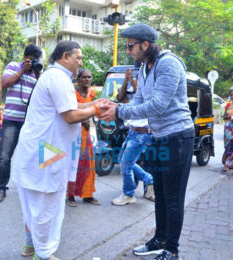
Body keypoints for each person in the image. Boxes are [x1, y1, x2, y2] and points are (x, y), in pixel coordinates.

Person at [100, 24, 195, 260]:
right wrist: (116, 106)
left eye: (131, 46)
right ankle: (159, 239)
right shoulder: (143, 68)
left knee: (173, 197)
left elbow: (158, 105)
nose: (128, 51)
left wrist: (120, 112)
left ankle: (171, 249)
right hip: (158, 136)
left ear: (145, 44)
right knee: (160, 194)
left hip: (178, 137)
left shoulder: (169, 64)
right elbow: (139, 100)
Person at [11, 40, 105, 260]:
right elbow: (71, 116)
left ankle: (30, 245)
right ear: (65, 56)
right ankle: (43, 254)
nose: (81, 63)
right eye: (78, 58)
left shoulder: (55, 77)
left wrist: (94, 104)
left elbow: (72, 108)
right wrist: (96, 109)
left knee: (35, 201)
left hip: (42, 148)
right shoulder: (58, 78)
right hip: (47, 150)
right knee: (46, 202)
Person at [0, 44, 42, 203]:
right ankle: (1, 188)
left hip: (30, 121)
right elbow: (4, 83)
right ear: (25, 58)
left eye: (36, 60)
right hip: (12, 120)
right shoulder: (14, 66)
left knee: (33, 156)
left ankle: (30, 187)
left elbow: (44, 93)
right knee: (5, 156)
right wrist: (22, 71)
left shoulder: (37, 73)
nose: (33, 62)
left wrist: (38, 74)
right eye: (31, 59)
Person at [112, 65, 155, 206]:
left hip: (142, 133)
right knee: (122, 160)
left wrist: (133, 79)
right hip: (132, 130)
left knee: (126, 164)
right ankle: (149, 179)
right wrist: (126, 79)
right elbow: (120, 97)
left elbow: (139, 94)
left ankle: (129, 194)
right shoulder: (130, 85)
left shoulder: (146, 87)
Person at [66, 68, 100, 207]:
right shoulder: (72, 94)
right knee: (74, 164)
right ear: (78, 79)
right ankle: (71, 196)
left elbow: (92, 110)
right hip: (74, 131)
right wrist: (82, 119)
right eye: (84, 77)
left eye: (89, 77)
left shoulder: (92, 93)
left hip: (86, 133)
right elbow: (70, 111)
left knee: (88, 163)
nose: (87, 79)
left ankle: (87, 194)